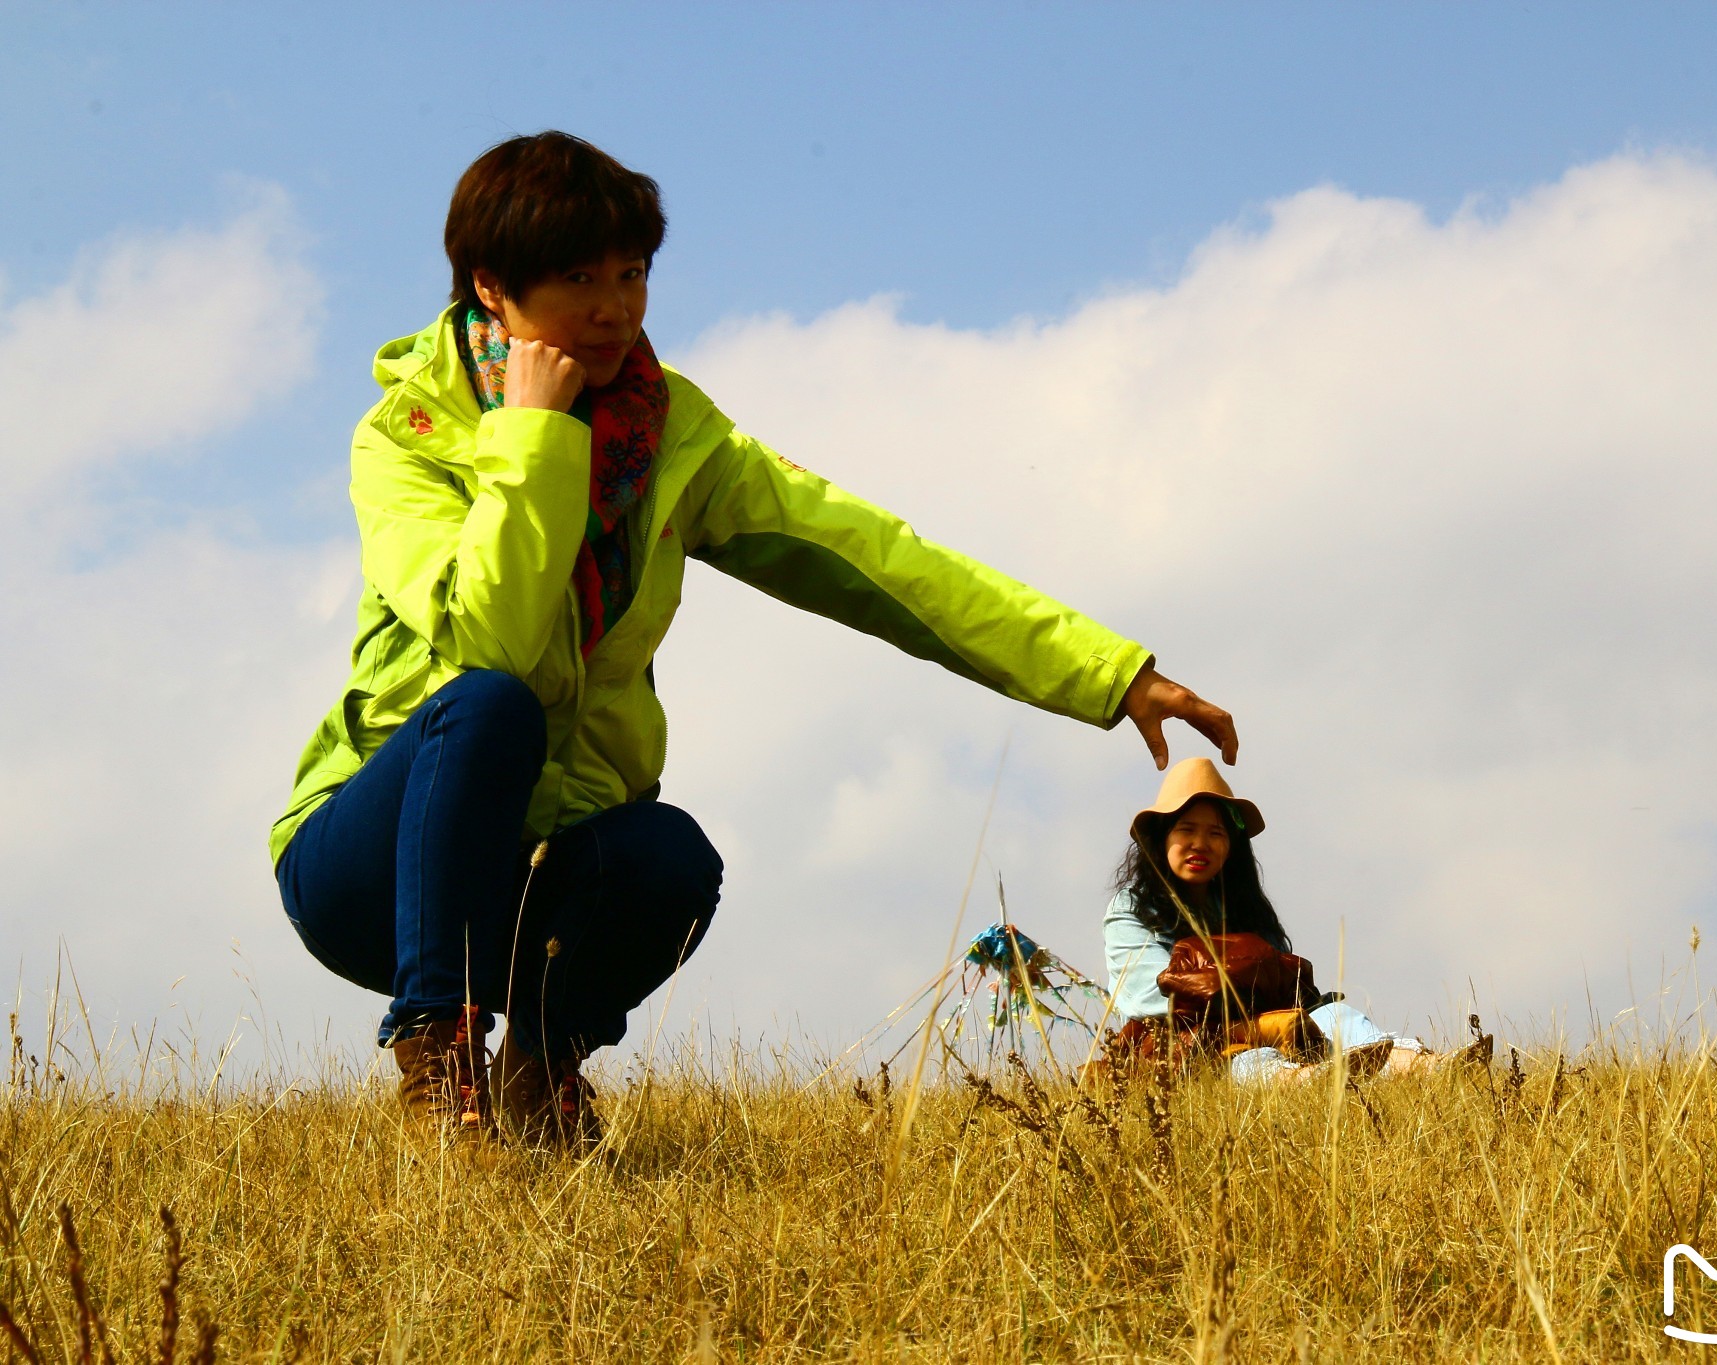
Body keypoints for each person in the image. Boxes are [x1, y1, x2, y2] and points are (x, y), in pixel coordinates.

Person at [272, 131, 1237, 1148]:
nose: (614, 308)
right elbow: (496, 641)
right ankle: (438, 1054)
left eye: (631, 273)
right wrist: (535, 432)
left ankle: (539, 1069)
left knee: (669, 856)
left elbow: (883, 563)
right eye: (575, 279)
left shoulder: (676, 439)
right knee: (488, 708)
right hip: (374, 870)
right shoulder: (405, 435)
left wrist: (1106, 670)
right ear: (492, 290)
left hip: (539, 866)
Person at [1103, 758, 1489, 1085]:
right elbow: (1147, 998)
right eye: (1186, 829)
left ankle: (1430, 1068)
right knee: (1247, 1061)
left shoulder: (1244, 910)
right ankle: (1313, 1081)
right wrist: (1254, 1026)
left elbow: (1291, 987)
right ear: (1162, 838)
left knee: (1333, 1014)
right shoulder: (1132, 908)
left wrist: (1295, 1013)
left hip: (1279, 1029)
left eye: (1215, 833)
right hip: (1184, 1050)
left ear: (1230, 849)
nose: (1200, 844)